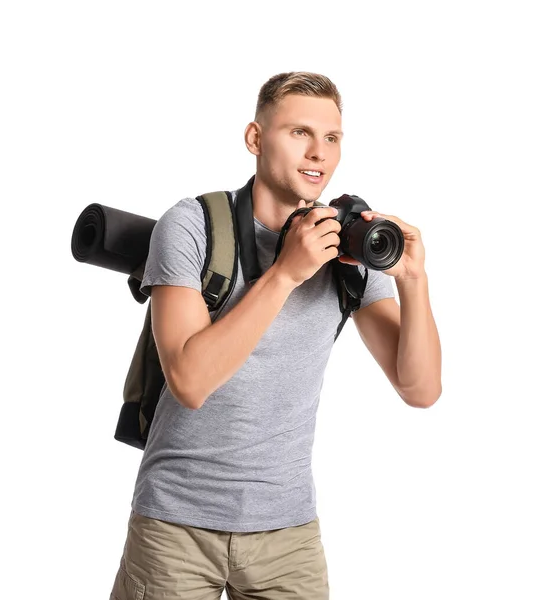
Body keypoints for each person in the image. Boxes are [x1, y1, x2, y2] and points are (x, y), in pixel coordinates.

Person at [109, 71, 442, 600]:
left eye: (331, 139)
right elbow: (191, 381)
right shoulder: (192, 226)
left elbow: (419, 389)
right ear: (255, 139)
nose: (318, 154)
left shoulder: (348, 247)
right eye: (299, 133)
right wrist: (285, 273)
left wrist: (414, 282)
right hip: (176, 526)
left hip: (287, 532)